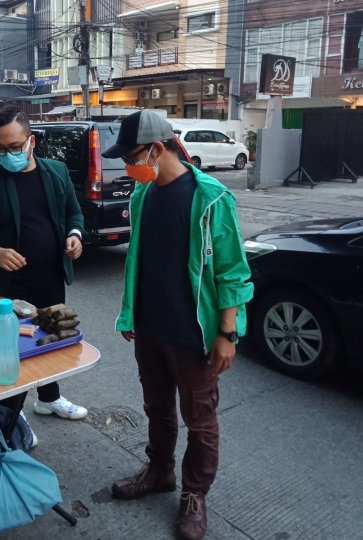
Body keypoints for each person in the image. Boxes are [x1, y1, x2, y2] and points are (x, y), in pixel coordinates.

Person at [103, 110, 253, 540]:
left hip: (195, 335)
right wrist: (130, 314)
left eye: (133, 157)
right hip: (150, 328)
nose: (129, 167)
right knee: (158, 409)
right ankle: (160, 471)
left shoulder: (211, 198)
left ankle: (195, 495)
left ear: (158, 148)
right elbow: (139, 261)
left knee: (200, 420)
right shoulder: (142, 194)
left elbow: (233, 273)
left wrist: (227, 333)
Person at [0, 105, 87, 423]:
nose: (8, 155)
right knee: (10, 349)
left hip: (50, 277)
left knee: (49, 340)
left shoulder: (56, 172)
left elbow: (74, 213)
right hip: (8, 286)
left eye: (15, 147)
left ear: (31, 141)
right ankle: (10, 414)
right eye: (1, 149)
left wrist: (75, 235)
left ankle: (49, 398)